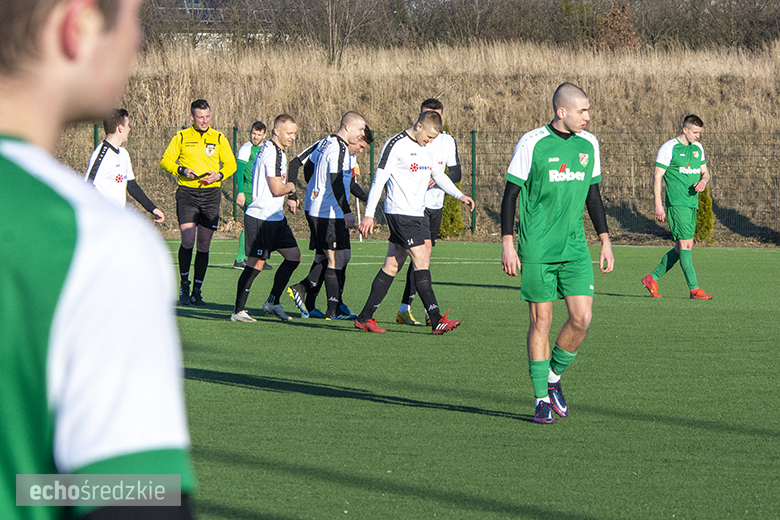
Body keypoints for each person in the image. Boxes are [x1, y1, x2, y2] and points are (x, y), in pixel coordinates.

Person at [0, 0, 195, 518]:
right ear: (79, 26)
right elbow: (135, 497)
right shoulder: (96, 243)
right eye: (134, 17)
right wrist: (37, 491)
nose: (137, 40)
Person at [500, 82, 614, 424]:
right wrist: (507, 243)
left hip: (575, 247)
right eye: (582, 111)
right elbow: (510, 195)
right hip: (537, 247)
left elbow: (593, 195)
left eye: (588, 110)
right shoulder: (532, 143)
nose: (587, 117)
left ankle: (552, 378)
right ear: (561, 112)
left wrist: (605, 239)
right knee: (542, 322)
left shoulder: (589, 144)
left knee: (582, 318)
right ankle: (540, 400)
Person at [355, 110, 475, 334]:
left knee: (393, 264)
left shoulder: (427, 147)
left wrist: (459, 195)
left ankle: (364, 317)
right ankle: (436, 319)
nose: (430, 141)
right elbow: (379, 179)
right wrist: (369, 214)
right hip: (400, 213)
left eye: (433, 139)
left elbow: (438, 175)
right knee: (421, 258)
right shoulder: (395, 145)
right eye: (428, 137)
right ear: (419, 126)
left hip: (417, 213)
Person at [285, 112, 366, 320]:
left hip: (326, 209)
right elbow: (335, 180)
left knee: (336, 257)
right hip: (327, 211)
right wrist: (346, 210)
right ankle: (331, 308)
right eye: (360, 130)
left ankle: (311, 301)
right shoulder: (337, 147)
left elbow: (311, 167)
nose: (361, 135)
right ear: (348, 127)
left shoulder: (329, 144)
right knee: (334, 258)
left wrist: (314, 186)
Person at [161, 99, 237, 306]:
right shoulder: (181, 137)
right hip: (187, 194)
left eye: (207, 117)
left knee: (204, 244)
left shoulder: (219, 138)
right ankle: (184, 285)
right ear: (192, 117)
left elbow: (231, 163)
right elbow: (166, 161)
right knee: (188, 241)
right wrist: (181, 170)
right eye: (200, 117)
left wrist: (219, 175)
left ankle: (197, 290)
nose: (205, 121)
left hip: (211, 195)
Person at [395, 98, 462, 326]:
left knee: (411, 258)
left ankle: (404, 309)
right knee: (422, 255)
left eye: (437, 115)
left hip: (436, 204)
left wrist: (440, 180)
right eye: (427, 114)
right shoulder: (412, 141)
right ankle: (426, 311)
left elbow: (456, 173)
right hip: (416, 206)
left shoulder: (447, 140)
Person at [231, 114, 301, 322]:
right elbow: (277, 188)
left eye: (294, 133)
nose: (293, 137)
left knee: (294, 256)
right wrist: (291, 187)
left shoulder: (270, 149)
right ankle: (238, 311)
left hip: (275, 217)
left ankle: (272, 302)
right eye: (289, 133)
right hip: (261, 217)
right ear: (277, 131)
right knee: (256, 263)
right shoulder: (273, 152)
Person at [641, 115, 712, 300]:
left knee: (681, 249)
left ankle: (651, 279)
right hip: (677, 204)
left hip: (692, 204)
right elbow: (657, 176)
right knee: (686, 245)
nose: (698, 136)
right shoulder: (669, 148)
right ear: (685, 130)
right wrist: (658, 204)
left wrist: (704, 181)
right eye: (695, 132)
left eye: (699, 133)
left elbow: (705, 173)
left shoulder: (698, 148)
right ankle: (694, 289)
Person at [84, 108, 165, 223]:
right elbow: (86, 187)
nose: (129, 129)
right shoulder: (102, 156)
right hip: (103, 220)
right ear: (120, 128)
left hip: (118, 219)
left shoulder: (123, 153)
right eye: (128, 125)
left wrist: (152, 208)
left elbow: (131, 185)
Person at [234, 121, 273, 271]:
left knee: (263, 225)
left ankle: (260, 258)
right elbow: (239, 172)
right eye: (253, 133)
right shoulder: (246, 148)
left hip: (262, 192)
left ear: (264, 135)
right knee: (250, 225)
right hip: (249, 192)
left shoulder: (265, 148)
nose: (255, 137)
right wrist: (241, 192)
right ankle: (240, 259)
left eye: (258, 134)